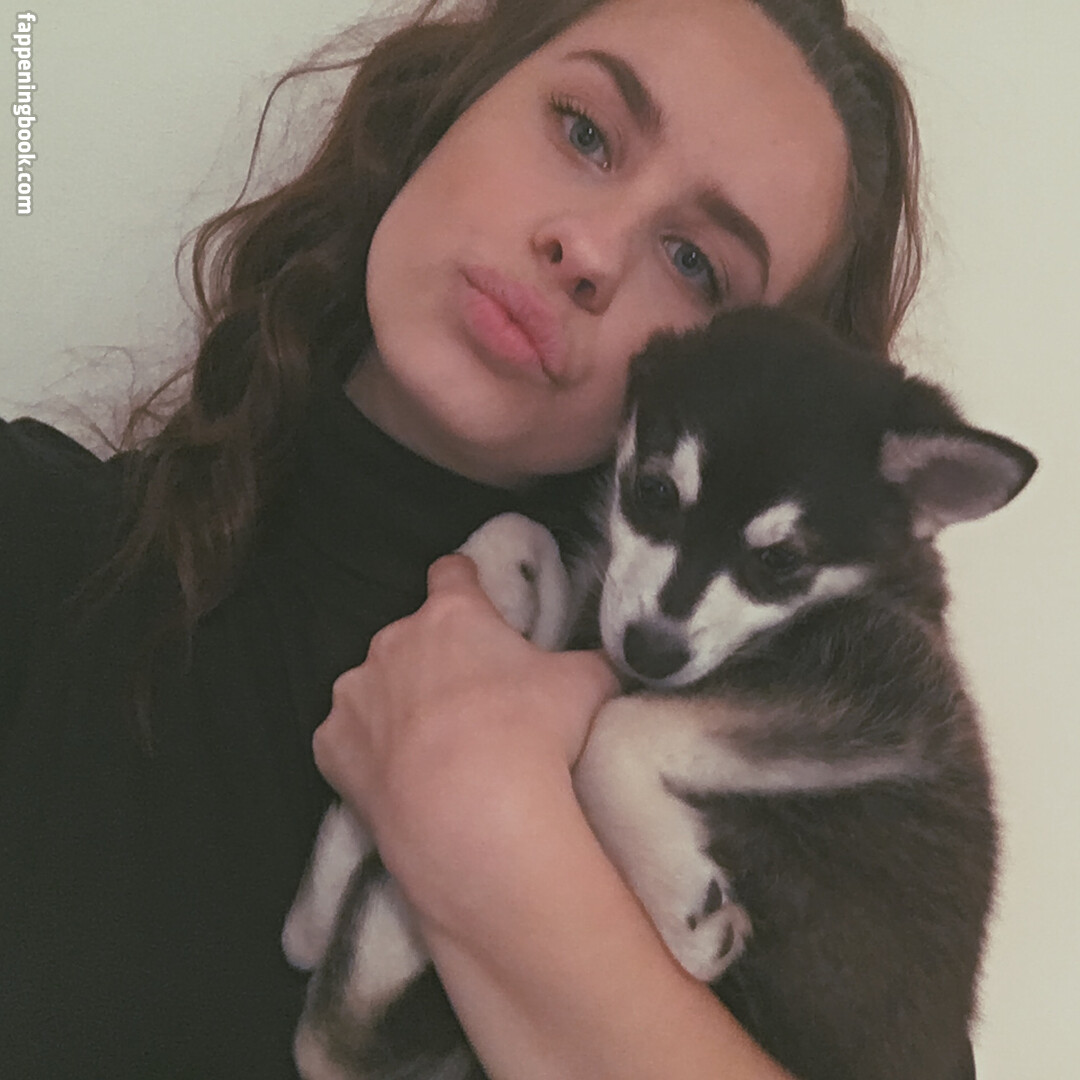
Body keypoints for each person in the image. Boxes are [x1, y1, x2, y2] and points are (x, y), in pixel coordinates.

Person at [0, 0, 963, 1077]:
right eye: (584, 131)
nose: (586, 249)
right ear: (452, 101)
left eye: (694, 263)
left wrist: (496, 849)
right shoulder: (34, 544)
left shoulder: (836, 842)